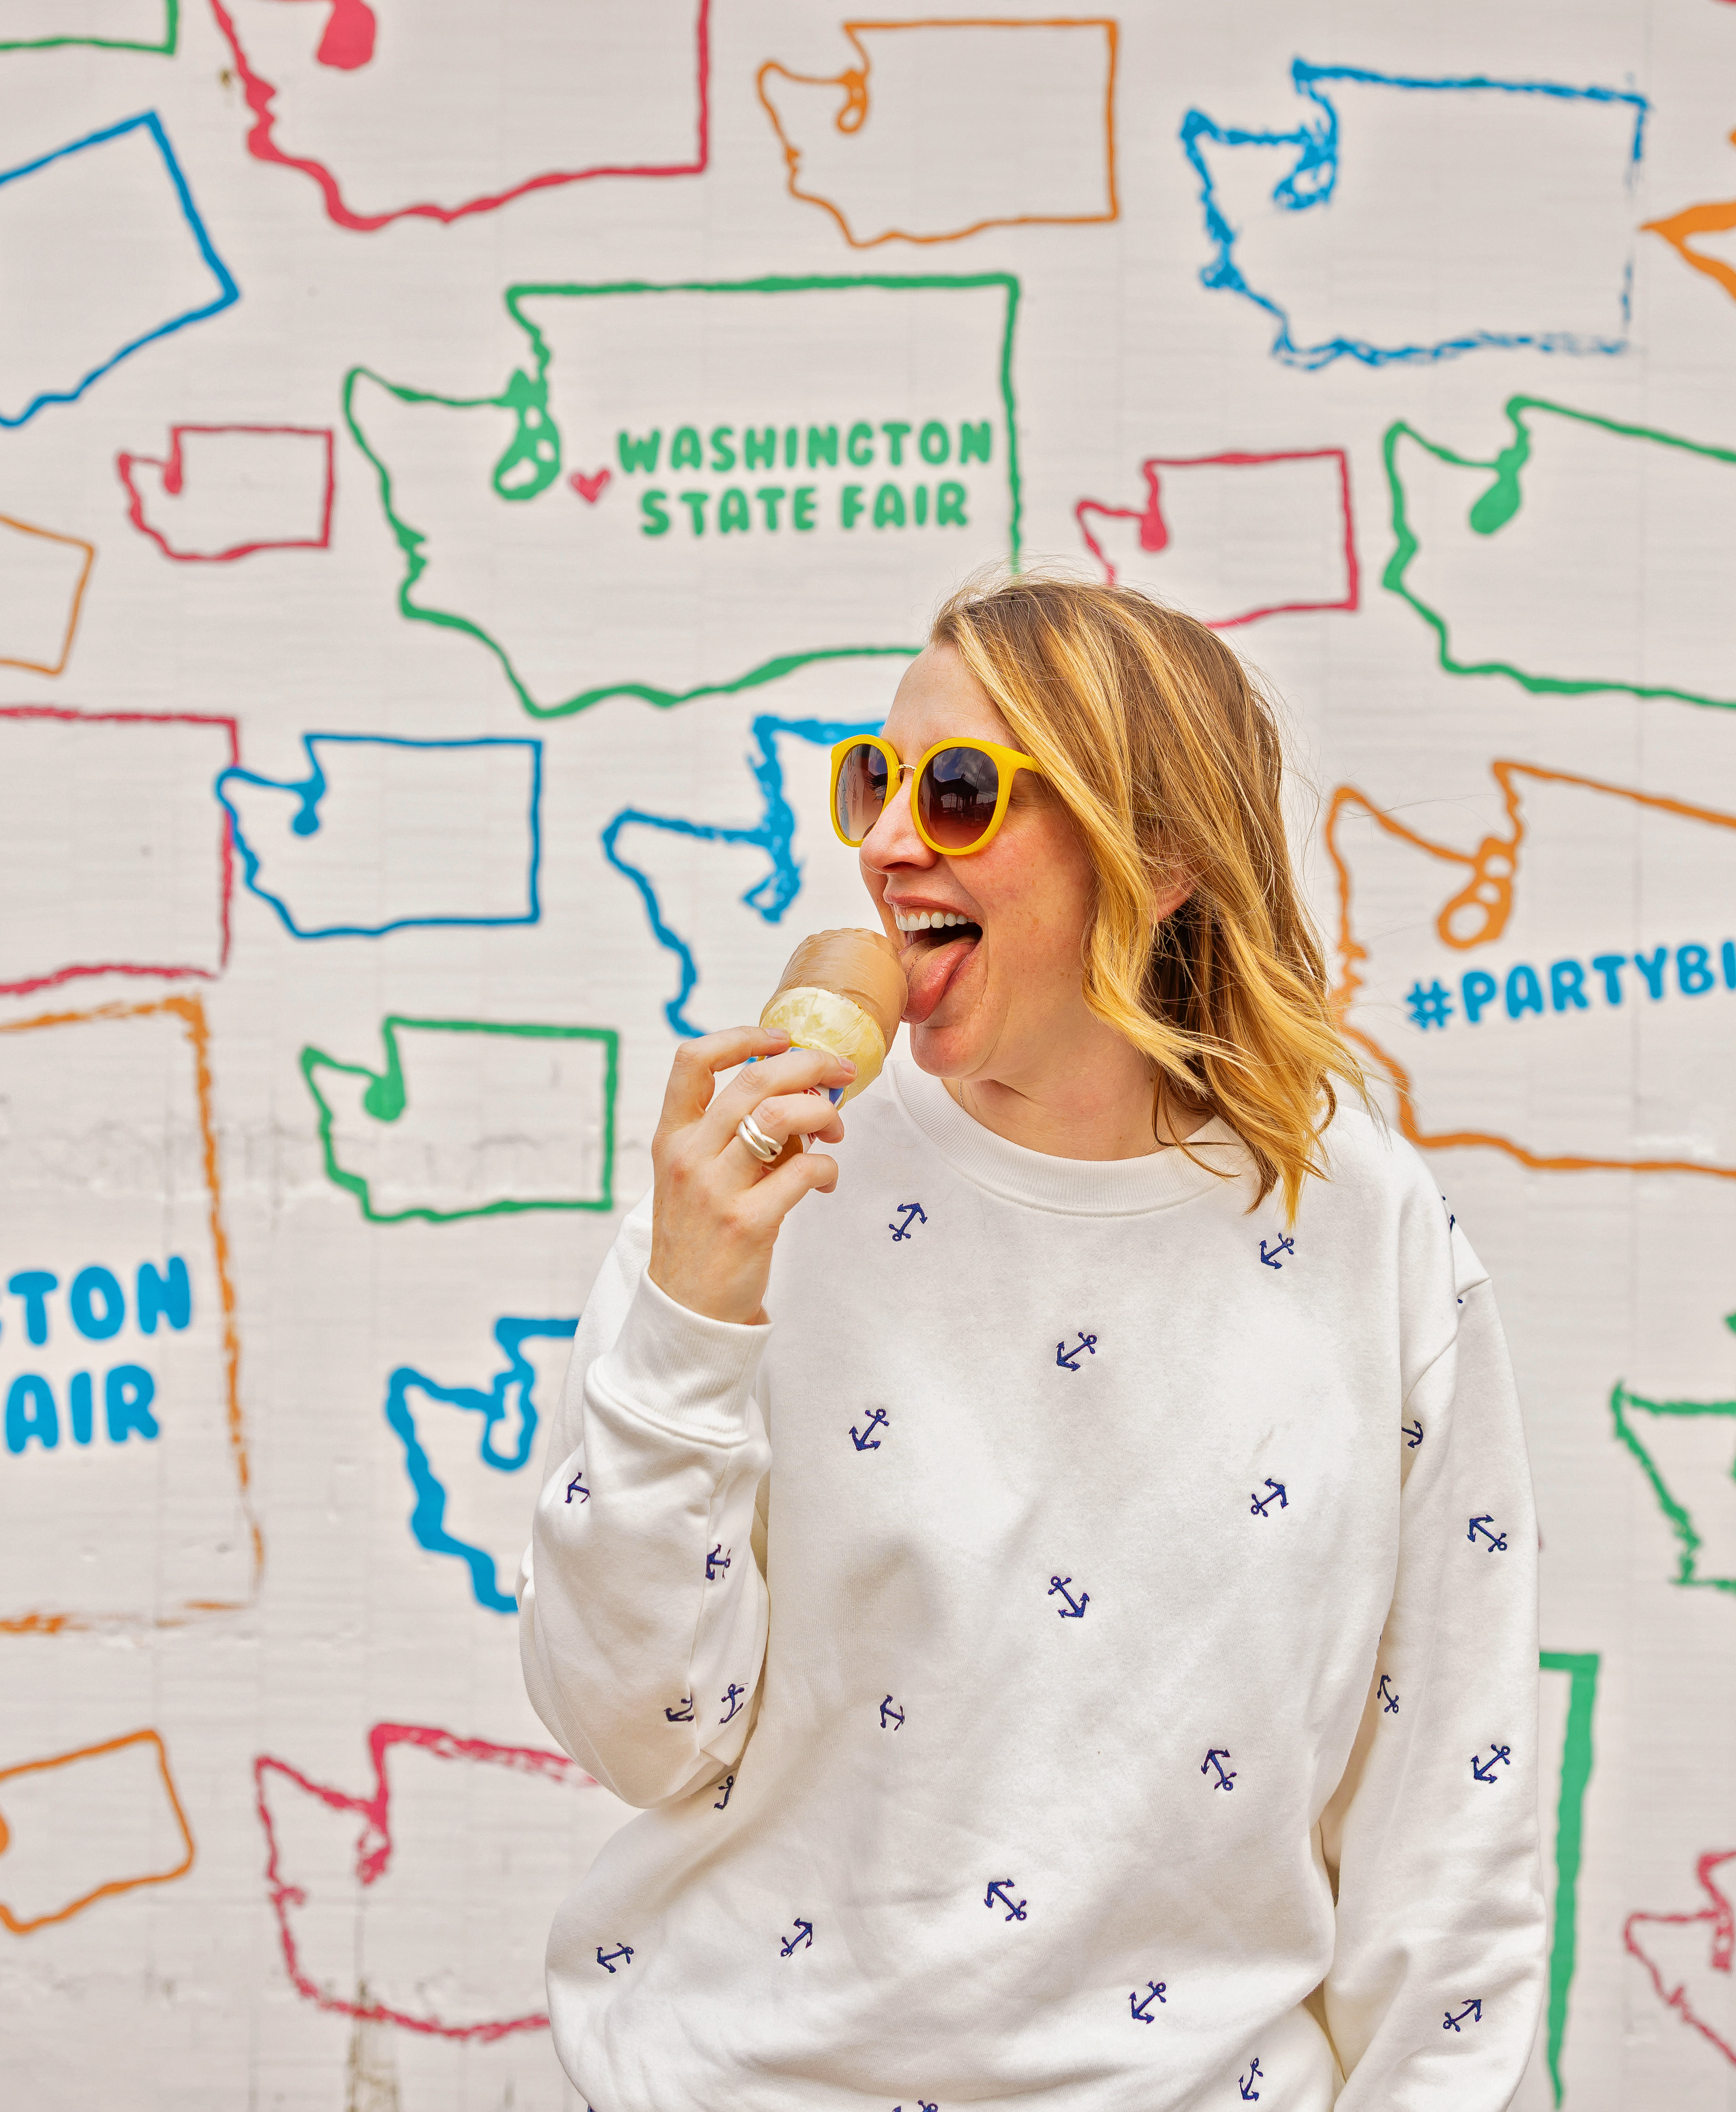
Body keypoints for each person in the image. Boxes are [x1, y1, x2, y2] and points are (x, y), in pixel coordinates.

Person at [519, 573, 1543, 2111]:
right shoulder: (757, 1198)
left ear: (1165, 854)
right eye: (875, 781)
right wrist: (687, 1317)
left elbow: (1446, 1817)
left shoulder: (1362, 1225)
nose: (880, 843)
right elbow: (635, 1733)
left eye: (956, 793)